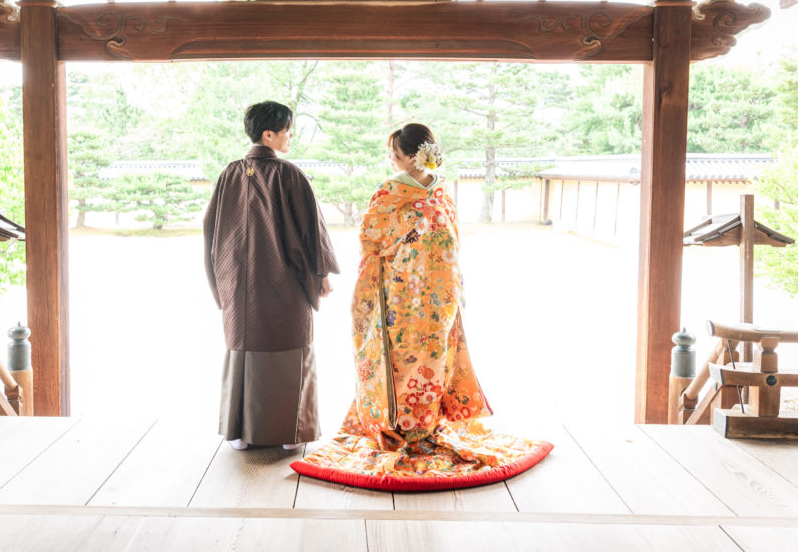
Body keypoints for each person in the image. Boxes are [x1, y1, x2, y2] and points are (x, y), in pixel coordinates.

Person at [292, 123, 552, 490]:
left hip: (418, 299)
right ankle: (412, 426)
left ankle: (414, 427)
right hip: (419, 296)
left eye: (395, 155)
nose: (391, 160)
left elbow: (378, 240)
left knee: (417, 362)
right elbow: (411, 243)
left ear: (414, 158)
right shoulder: (418, 192)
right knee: (417, 360)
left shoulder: (411, 192)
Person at [204, 101, 339, 451]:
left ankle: (241, 433)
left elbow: (211, 229)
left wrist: (222, 276)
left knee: (244, 349)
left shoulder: (230, 173)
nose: (290, 137)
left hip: (238, 281)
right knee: (290, 351)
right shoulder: (288, 174)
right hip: (284, 281)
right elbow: (312, 227)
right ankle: (291, 434)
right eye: (287, 131)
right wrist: (320, 272)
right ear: (268, 134)